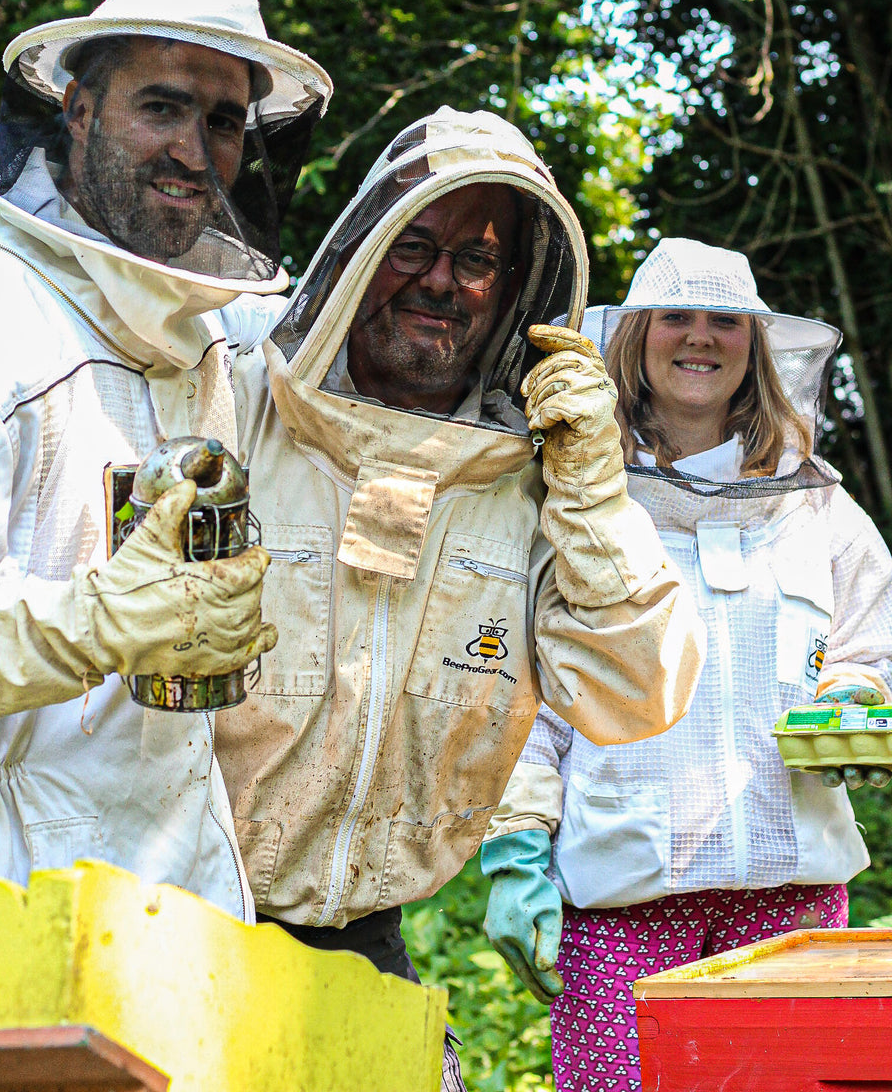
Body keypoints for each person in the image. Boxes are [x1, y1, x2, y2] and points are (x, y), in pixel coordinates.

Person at [212, 109, 706, 1089]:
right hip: (176, 919)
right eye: (415, 245)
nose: (441, 281)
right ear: (356, 253)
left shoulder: (527, 479)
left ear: (512, 289)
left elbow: (637, 692)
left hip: (364, 943)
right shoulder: (237, 399)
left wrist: (595, 491)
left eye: (476, 260)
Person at [0, 0, 332, 918]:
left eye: (222, 121)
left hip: (184, 876)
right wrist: (85, 625)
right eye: (161, 106)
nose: (193, 152)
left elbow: (364, 364)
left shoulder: (204, 336)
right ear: (76, 111)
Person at [480, 237, 892, 1092]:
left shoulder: (819, 504)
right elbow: (524, 690)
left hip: (792, 908)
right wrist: (517, 842)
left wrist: (856, 695)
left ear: (756, 343)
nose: (700, 337)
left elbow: (868, 646)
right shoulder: (572, 493)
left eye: (724, 320)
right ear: (637, 337)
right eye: (677, 316)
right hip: (621, 907)